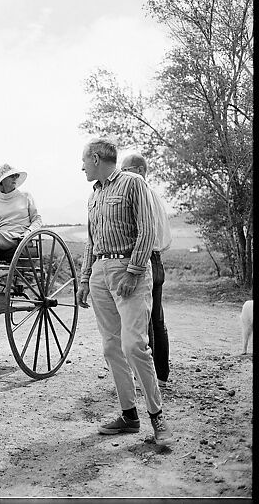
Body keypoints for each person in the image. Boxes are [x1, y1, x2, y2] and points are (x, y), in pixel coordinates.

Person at [76, 137, 173, 446]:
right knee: (111, 348)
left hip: (128, 271)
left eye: (83, 160)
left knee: (134, 346)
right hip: (100, 274)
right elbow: (92, 241)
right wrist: (84, 278)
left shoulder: (132, 183)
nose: (81, 167)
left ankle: (157, 416)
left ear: (95, 158)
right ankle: (129, 416)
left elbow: (147, 230)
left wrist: (133, 271)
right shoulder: (94, 195)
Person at [121, 153, 172, 388]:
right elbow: (166, 238)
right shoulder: (157, 197)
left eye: (126, 170)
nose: (122, 175)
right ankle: (161, 375)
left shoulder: (141, 196)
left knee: (145, 322)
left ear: (140, 170)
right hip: (157, 257)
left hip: (145, 258)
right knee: (156, 319)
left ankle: (148, 378)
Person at [0, 163, 42, 289]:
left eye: (16, 176)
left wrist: (29, 233)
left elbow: (37, 219)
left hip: (18, 237)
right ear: (2, 181)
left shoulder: (25, 196)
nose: (15, 178)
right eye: (11, 176)